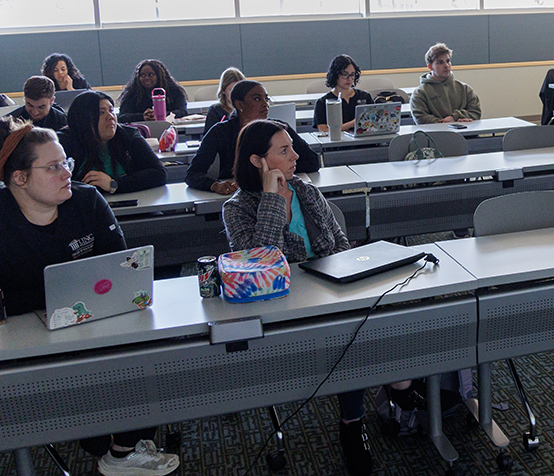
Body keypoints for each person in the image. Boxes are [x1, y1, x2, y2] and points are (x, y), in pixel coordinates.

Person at [0, 117, 179, 476]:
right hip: (18, 334)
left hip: (91, 318)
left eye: (65, 162)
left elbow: (123, 267)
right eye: (53, 167)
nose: (68, 172)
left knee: (150, 348)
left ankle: (123, 449)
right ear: (19, 177)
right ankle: (103, 436)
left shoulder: (86, 199)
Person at [222, 119, 370, 476]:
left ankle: (353, 422)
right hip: (276, 308)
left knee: (355, 329)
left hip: (327, 292)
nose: (296, 155)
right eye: (284, 150)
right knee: (342, 337)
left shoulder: (305, 190)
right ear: (258, 160)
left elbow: (340, 243)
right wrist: (272, 200)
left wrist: (344, 277)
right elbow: (259, 264)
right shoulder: (236, 208)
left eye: (292, 146)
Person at [186, 80, 319, 194]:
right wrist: (214, 185)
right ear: (240, 105)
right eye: (257, 99)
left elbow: (312, 161)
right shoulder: (220, 132)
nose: (265, 104)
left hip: (279, 190)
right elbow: (193, 174)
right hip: (236, 194)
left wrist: (280, 170)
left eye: (266, 99)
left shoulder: (279, 129)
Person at [60, 91, 167, 195]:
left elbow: (159, 173)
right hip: (84, 210)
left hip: (134, 207)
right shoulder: (64, 142)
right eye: (101, 113)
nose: (110, 116)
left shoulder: (128, 135)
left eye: (111, 110)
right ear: (83, 119)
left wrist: (113, 184)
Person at [410, 43, 481, 125]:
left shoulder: (464, 89)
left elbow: (475, 112)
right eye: (440, 62)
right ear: (430, 67)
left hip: (466, 135)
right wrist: (445, 123)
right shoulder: (420, 93)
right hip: (435, 136)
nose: (446, 65)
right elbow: (420, 118)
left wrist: (455, 117)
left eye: (448, 61)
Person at [313, 55, 374, 133]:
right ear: (335, 75)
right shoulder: (322, 102)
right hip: (338, 143)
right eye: (345, 74)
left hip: (364, 142)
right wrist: (351, 124)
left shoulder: (365, 96)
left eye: (352, 74)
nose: (349, 79)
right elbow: (324, 130)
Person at [118, 59, 188, 123]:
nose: (146, 78)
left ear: (159, 76)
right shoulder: (131, 93)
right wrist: (143, 116)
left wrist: (160, 115)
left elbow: (182, 112)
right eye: (142, 75)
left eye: (150, 75)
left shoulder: (174, 91)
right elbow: (122, 116)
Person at [203, 67, 246, 132]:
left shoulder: (250, 109)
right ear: (223, 90)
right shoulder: (215, 111)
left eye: (240, 90)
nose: (236, 94)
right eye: (232, 90)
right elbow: (208, 138)